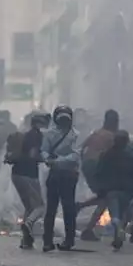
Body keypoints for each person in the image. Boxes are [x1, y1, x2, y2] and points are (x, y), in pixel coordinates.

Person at [93, 131, 133, 250]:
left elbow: (98, 173)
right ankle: (122, 233)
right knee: (125, 212)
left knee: (115, 215)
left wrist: (100, 189)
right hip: (129, 192)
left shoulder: (106, 156)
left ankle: (118, 233)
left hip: (112, 191)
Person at [40, 105, 81, 252]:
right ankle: (47, 241)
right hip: (55, 174)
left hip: (69, 174)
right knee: (51, 208)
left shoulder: (76, 135)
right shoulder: (49, 134)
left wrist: (56, 161)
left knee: (68, 208)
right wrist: (47, 159)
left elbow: (75, 156)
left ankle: (69, 240)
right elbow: (43, 150)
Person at [6, 112, 47, 249]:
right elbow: (32, 155)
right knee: (40, 206)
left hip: (16, 174)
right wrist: (47, 159)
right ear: (39, 124)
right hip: (29, 174)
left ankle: (26, 240)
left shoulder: (26, 134)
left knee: (29, 207)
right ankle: (28, 223)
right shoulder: (36, 135)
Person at [79, 109, 120, 241]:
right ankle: (88, 229)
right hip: (97, 167)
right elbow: (114, 155)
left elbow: (82, 148)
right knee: (106, 198)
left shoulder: (96, 133)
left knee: (104, 196)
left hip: (87, 165)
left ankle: (80, 209)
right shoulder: (111, 136)